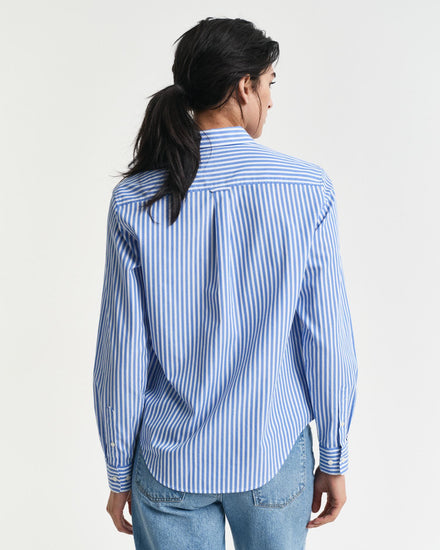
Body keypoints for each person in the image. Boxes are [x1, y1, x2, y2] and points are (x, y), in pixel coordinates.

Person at [92, 16, 358, 550]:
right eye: (270, 84)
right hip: (272, 454)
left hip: (170, 462)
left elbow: (121, 354)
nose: (271, 100)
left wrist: (119, 470)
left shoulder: (135, 199)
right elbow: (327, 338)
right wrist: (333, 455)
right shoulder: (305, 189)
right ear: (244, 87)